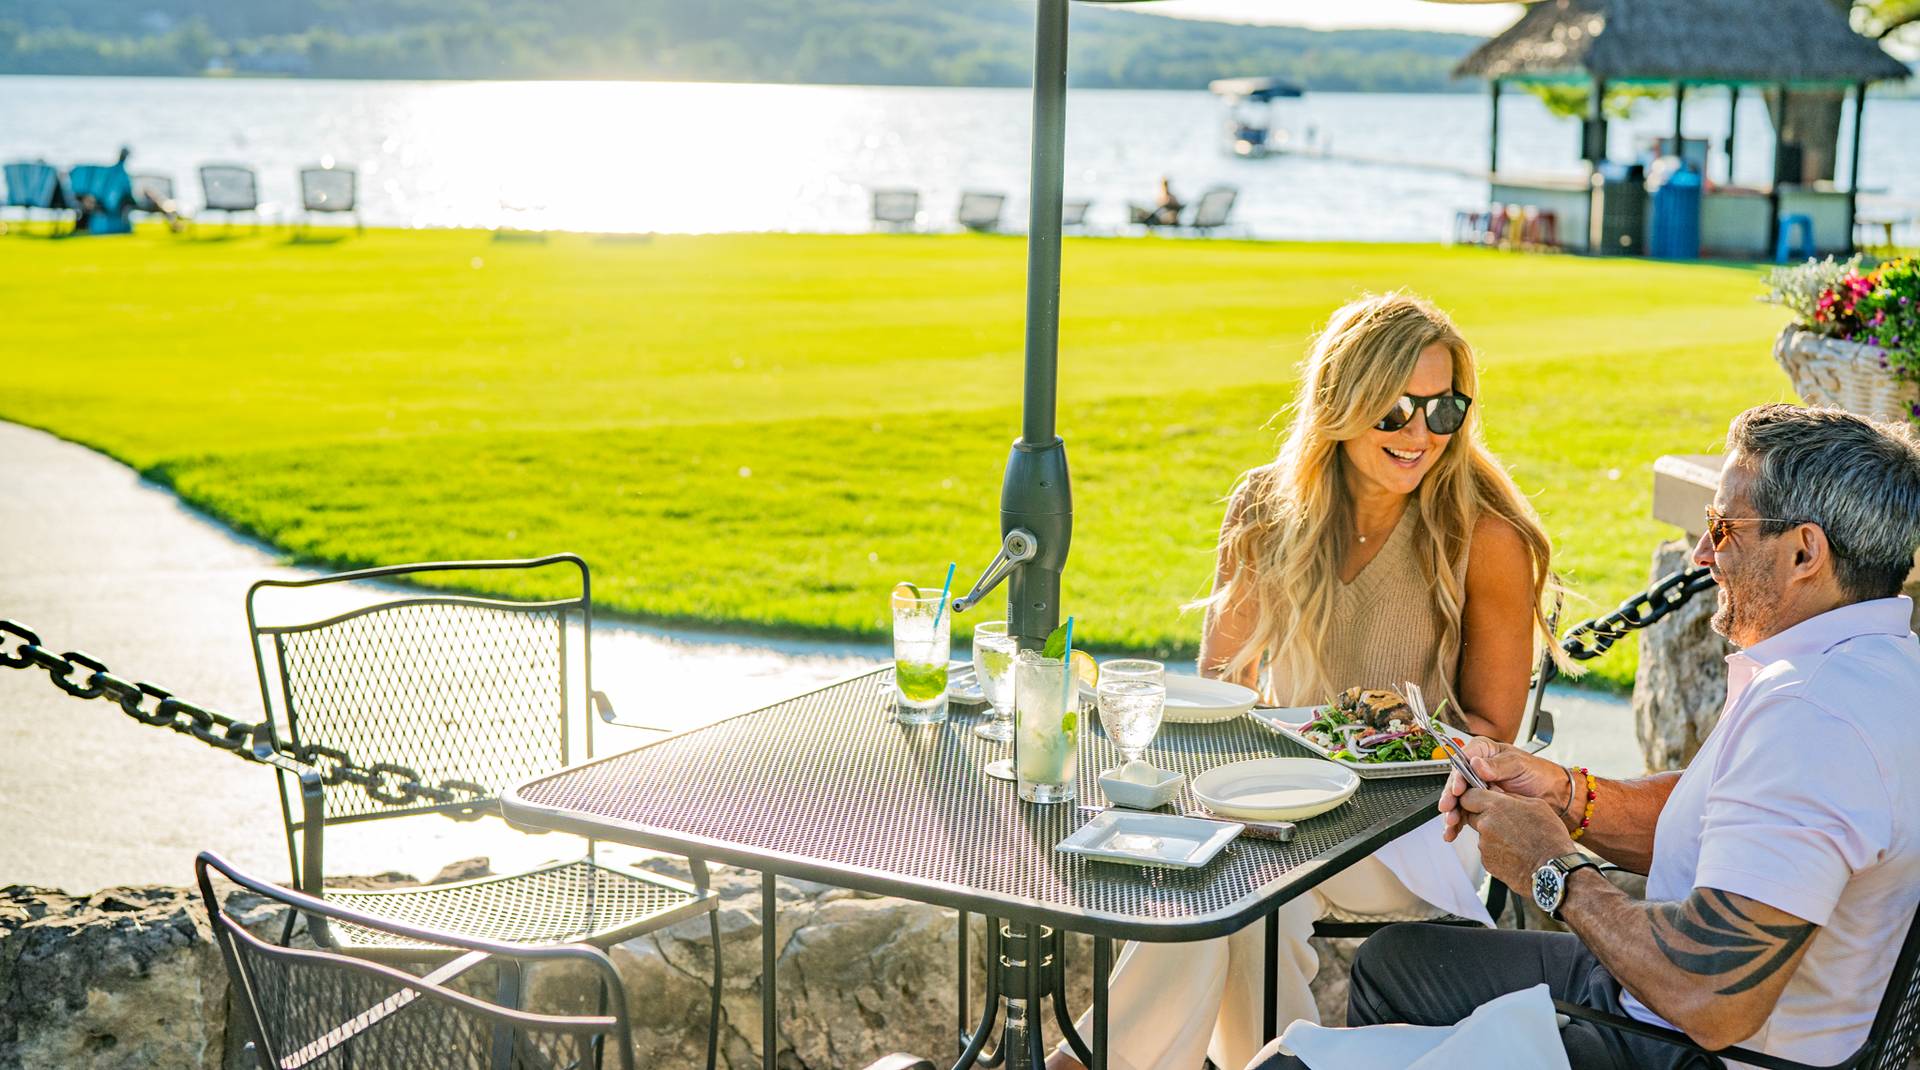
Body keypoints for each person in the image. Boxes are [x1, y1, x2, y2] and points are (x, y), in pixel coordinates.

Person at [1257, 403, 1920, 1070]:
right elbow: (1739, 826)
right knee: (1396, 964)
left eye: (1722, 529)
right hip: (1675, 1013)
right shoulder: (1879, 670)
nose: (1700, 554)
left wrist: (1552, 872)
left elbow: (1713, 998)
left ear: (1805, 551)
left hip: (1683, 1047)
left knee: (1288, 1064)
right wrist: (1570, 796)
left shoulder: (1816, 720)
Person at [1050, 291, 1568, 1070]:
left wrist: (1368, 747)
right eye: (1396, 410)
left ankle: (1080, 1065)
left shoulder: (1484, 536)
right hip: (1277, 801)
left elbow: (1494, 733)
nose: (1421, 433)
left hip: (1418, 819)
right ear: (1342, 401)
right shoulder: (1265, 507)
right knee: (1235, 883)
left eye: (1445, 409)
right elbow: (1222, 688)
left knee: (1238, 881)